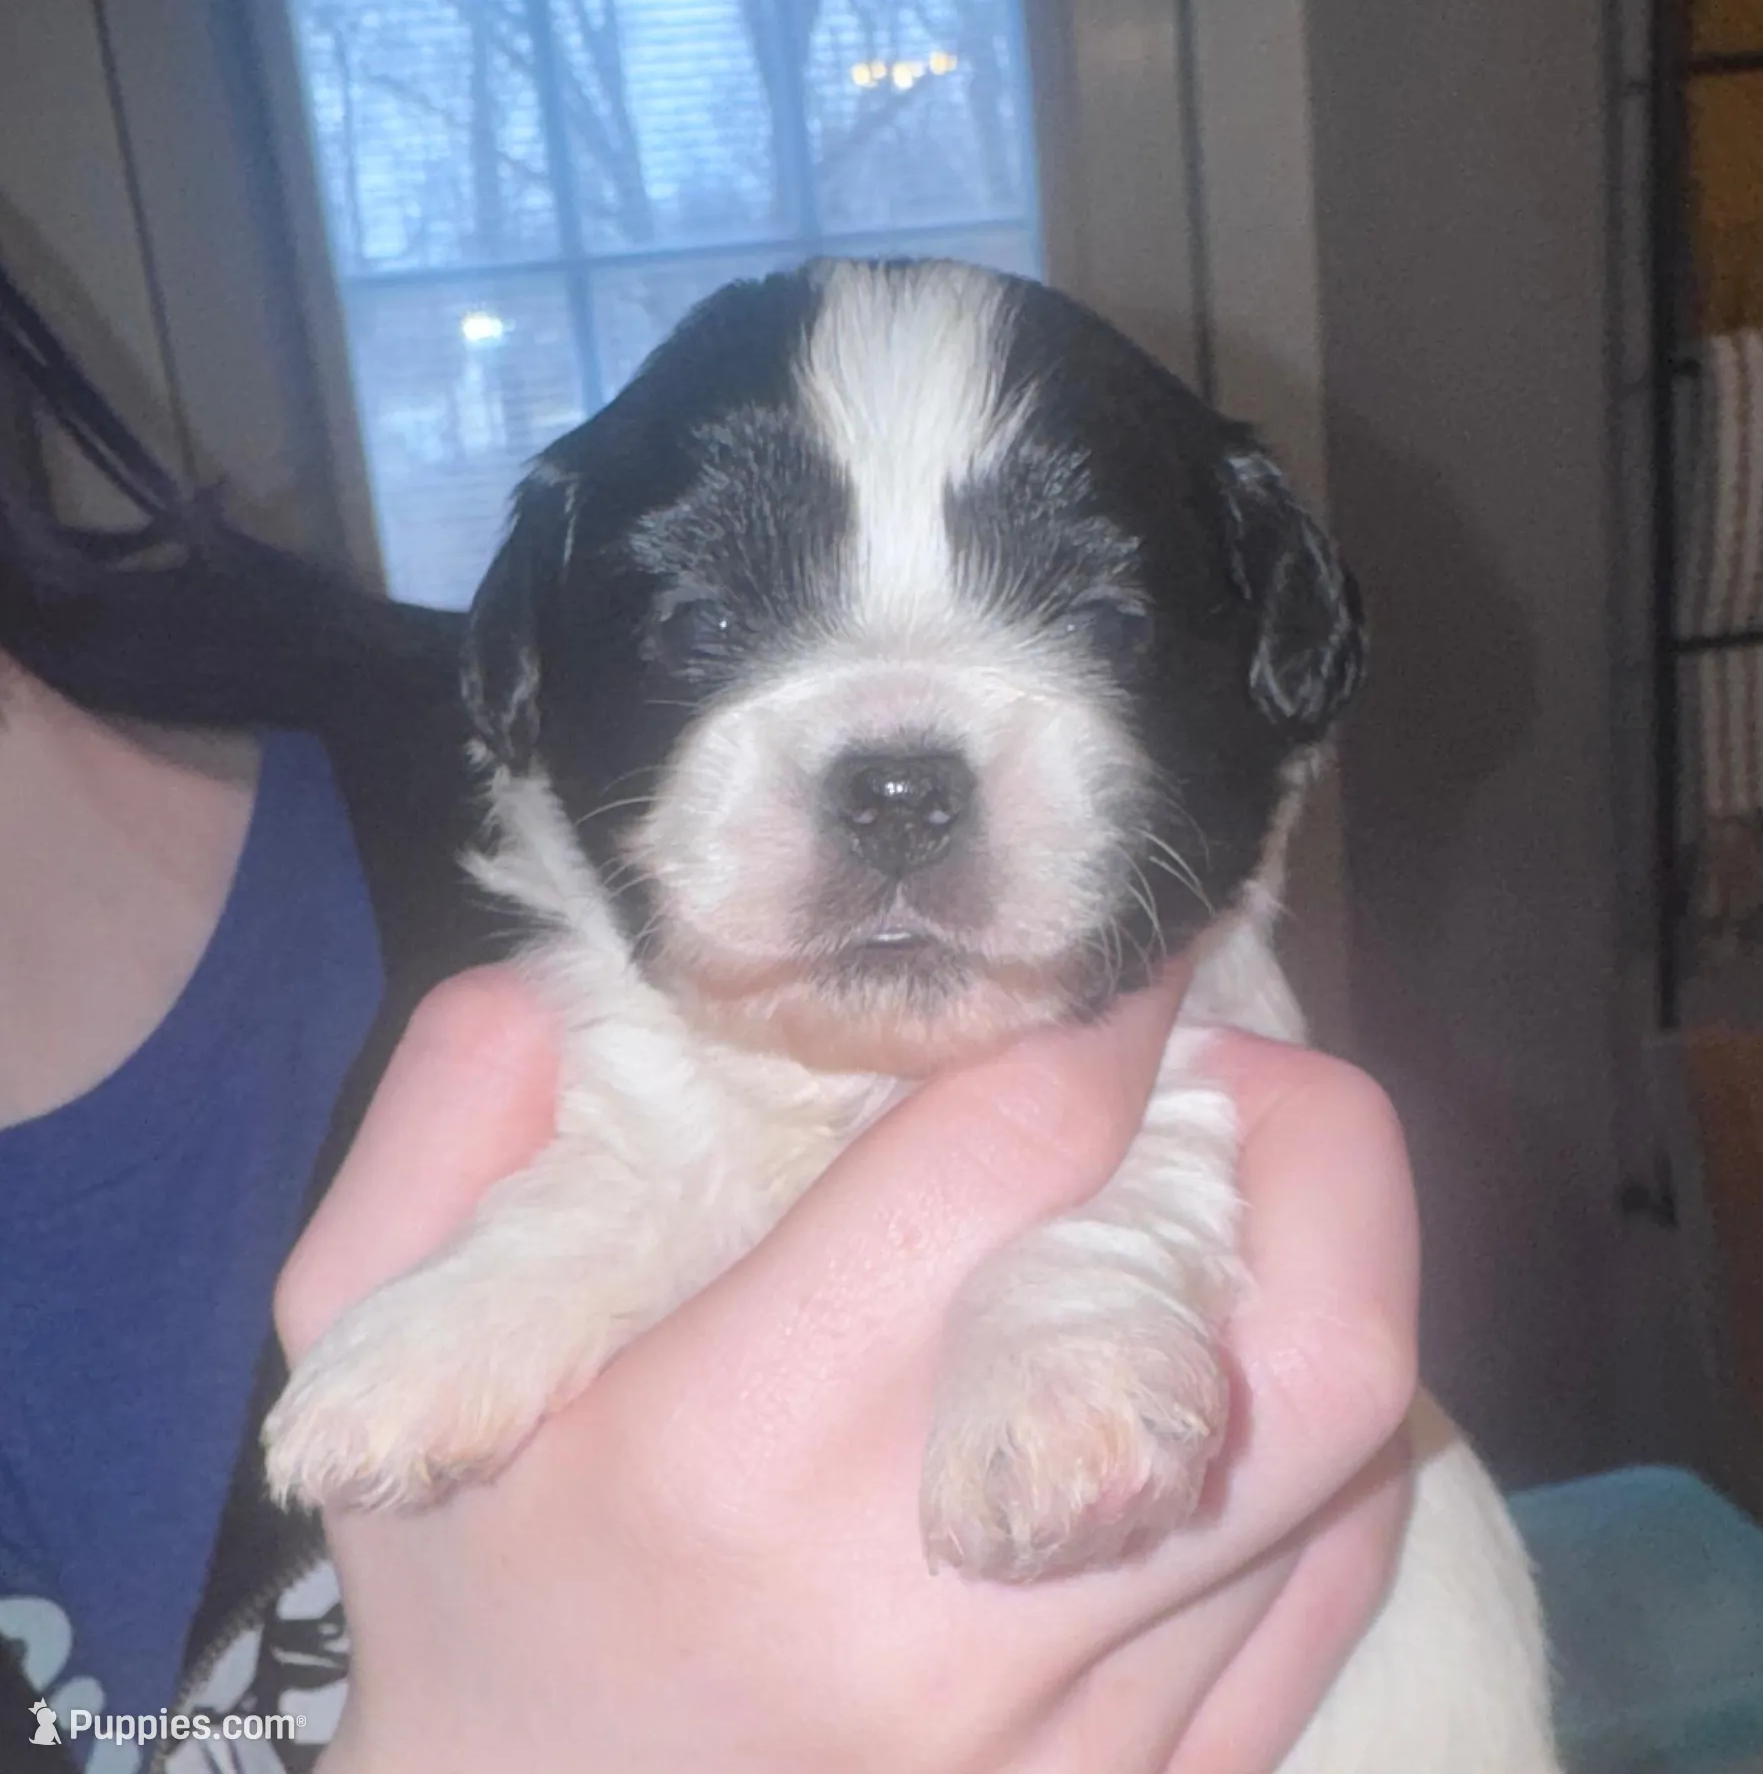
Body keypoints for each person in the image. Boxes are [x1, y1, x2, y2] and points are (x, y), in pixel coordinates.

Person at [0, 434, 1419, 1774]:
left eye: (1096, 624)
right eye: (706, 630)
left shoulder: (459, 757)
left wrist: (1085, 1282)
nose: (897, 785)